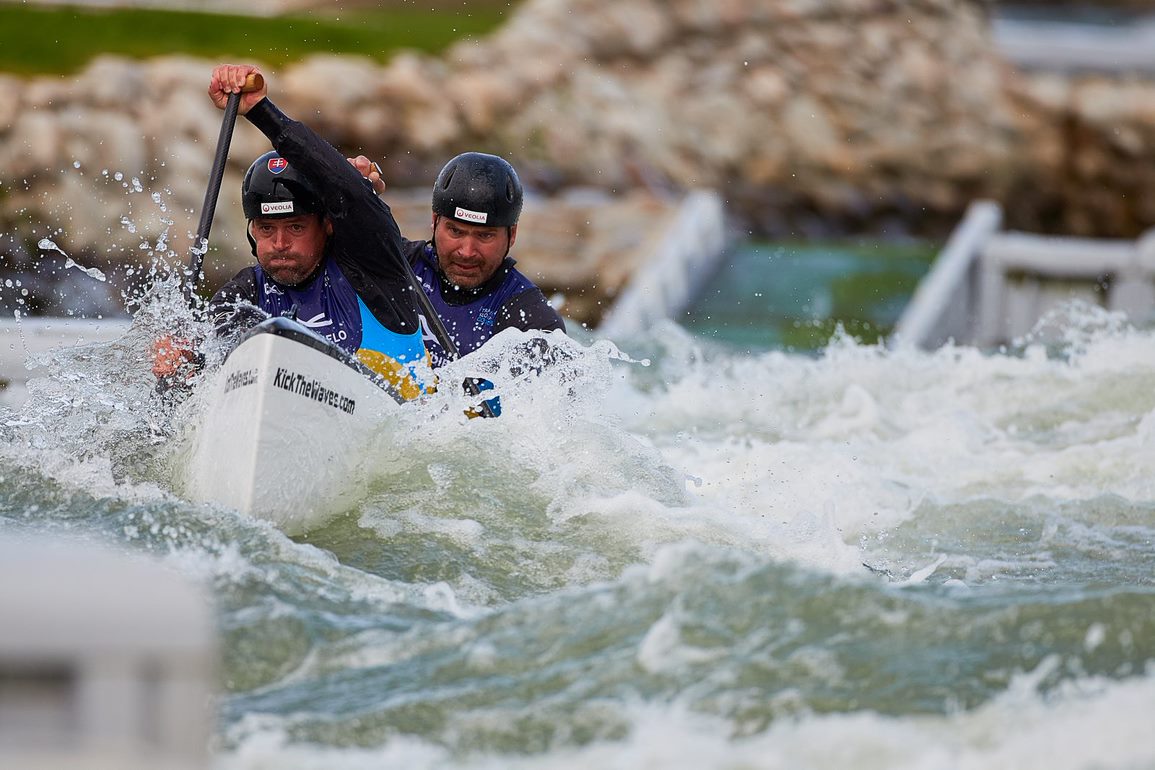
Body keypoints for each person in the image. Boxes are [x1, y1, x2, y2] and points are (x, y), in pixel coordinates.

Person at [153, 64, 429, 400]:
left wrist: (260, 111)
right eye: (266, 228)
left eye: (296, 227)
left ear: (327, 224)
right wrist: (180, 367)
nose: (280, 243)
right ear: (252, 230)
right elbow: (210, 376)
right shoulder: (243, 294)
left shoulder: (373, 267)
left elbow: (349, 192)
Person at [350, 152, 566, 369]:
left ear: (512, 234)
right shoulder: (396, 262)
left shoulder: (531, 320)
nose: (466, 251)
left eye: (485, 235)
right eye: (455, 231)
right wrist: (346, 194)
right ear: (434, 221)